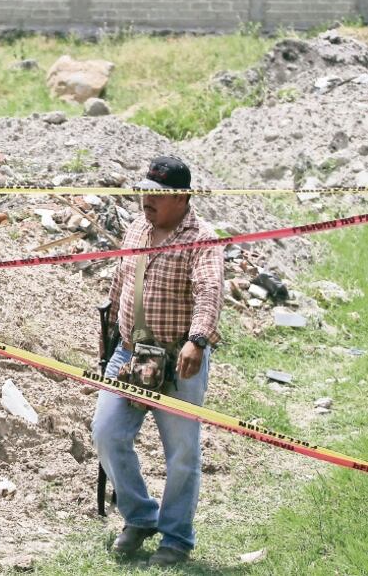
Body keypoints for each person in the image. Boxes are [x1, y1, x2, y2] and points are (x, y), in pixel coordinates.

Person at [91, 156, 224, 567]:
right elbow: (120, 281)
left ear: (183, 197)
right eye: (145, 190)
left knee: (181, 453)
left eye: (158, 195)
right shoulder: (136, 228)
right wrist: (112, 328)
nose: (147, 200)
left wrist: (197, 340)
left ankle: (177, 538)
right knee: (107, 433)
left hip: (178, 362)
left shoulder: (202, 238)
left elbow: (209, 292)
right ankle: (141, 516)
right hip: (130, 353)